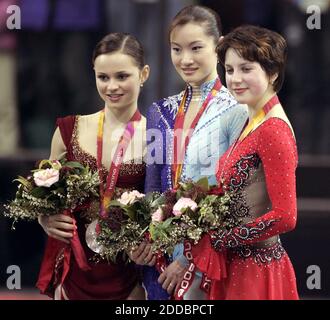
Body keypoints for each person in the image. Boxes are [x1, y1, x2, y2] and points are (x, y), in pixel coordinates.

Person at [130, 5, 248, 300]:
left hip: (214, 256)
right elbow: (154, 187)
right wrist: (147, 240)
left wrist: (190, 260)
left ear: (219, 46)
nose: (185, 59)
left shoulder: (237, 109)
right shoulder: (160, 112)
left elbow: (235, 195)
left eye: (196, 48)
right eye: (176, 49)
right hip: (163, 259)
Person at [36, 32, 150, 300]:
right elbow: (43, 195)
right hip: (74, 269)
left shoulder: (157, 135)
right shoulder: (68, 129)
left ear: (143, 74)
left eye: (122, 76)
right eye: (103, 77)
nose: (112, 86)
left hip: (130, 274)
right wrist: (45, 220)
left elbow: (164, 204)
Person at [191, 25, 299, 299]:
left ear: (272, 72)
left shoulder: (273, 129)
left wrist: (222, 239)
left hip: (257, 271)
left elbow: (286, 217)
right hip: (237, 265)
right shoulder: (252, 119)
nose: (235, 79)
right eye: (229, 70)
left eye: (246, 69)